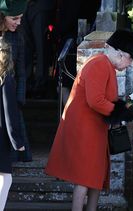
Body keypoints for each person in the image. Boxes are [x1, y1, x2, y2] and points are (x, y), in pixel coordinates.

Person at [45, 29, 133, 211]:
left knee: (95, 177)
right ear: (121, 53)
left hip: (93, 129)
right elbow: (96, 100)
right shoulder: (99, 63)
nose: (130, 64)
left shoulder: (105, 65)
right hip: (85, 130)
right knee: (85, 177)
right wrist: (120, 112)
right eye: (130, 59)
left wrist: (122, 109)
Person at [0, 0, 31, 162]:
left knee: (10, 156)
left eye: (20, 18)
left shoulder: (18, 37)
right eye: (15, 19)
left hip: (9, 97)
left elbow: (21, 72)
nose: (19, 23)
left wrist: (19, 99)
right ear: (3, 16)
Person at [0, 38, 25, 211]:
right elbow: (10, 114)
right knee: (6, 178)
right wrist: (17, 142)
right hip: (1, 137)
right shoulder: (6, 80)